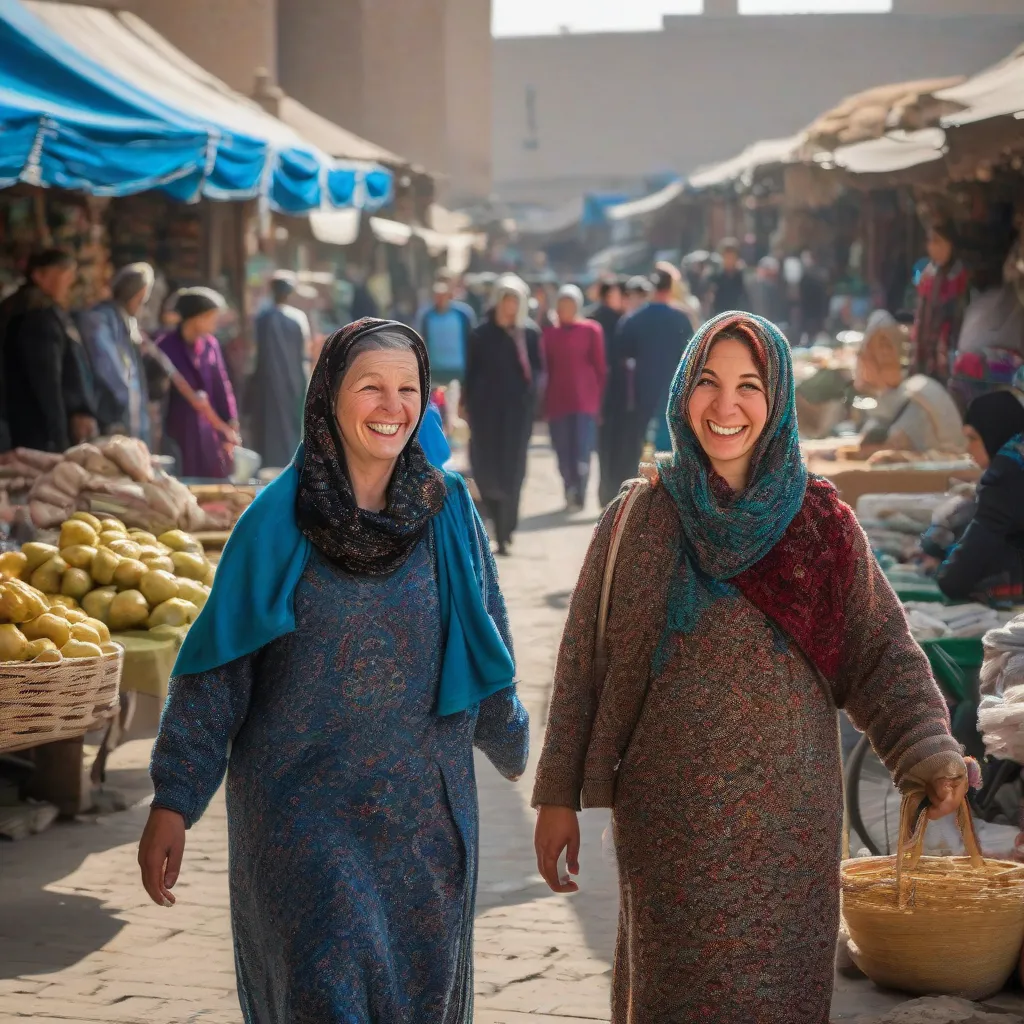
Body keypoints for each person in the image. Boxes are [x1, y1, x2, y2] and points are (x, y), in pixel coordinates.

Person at [532, 311, 970, 1023]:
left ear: (778, 402)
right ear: (681, 393)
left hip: (789, 834)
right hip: (669, 831)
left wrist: (928, 751)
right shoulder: (641, 516)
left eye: (749, 386)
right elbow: (583, 664)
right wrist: (558, 797)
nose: (726, 405)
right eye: (708, 382)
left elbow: (881, 651)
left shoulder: (821, 524)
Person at [138, 318, 529, 1023]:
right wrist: (174, 797)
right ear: (328, 396)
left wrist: (512, 741)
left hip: (423, 815)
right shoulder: (275, 520)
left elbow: (484, 631)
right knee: (326, 990)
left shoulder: (447, 509)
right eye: (370, 386)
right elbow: (215, 670)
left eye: (408, 388)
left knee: (419, 997)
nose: (392, 406)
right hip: (303, 815)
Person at [463, 275, 542, 556]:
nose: (510, 306)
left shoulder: (528, 334)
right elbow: (470, 374)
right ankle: (495, 522)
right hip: (486, 415)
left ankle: (506, 530)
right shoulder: (480, 333)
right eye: (506, 300)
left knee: (513, 470)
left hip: (517, 415)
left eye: (515, 301)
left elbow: (538, 371)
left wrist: (532, 399)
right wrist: (467, 406)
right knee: (486, 468)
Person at [933, 389, 1024, 606]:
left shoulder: (1005, 476)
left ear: (993, 430)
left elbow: (972, 554)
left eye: (973, 438)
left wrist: (945, 579)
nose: (968, 448)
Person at [607, 267, 694, 489]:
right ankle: (667, 487)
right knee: (669, 443)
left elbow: (621, 353)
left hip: (640, 391)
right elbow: (692, 357)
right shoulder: (681, 318)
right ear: (670, 287)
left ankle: (638, 490)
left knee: (640, 442)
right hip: (674, 390)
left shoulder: (633, 319)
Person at [5, 248, 98, 452]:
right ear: (39, 275)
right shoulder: (37, 316)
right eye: (64, 272)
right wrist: (58, 437)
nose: (71, 280)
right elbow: (47, 382)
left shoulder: (40, 311)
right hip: (37, 433)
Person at [158, 288, 240, 479]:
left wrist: (231, 421)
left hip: (209, 432)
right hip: (177, 432)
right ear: (196, 318)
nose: (215, 322)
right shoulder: (165, 347)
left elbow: (222, 385)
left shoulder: (210, 345)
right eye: (212, 316)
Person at [542, 285, 607, 511]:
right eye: (561, 305)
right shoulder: (549, 334)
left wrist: (599, 403)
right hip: (558, 401)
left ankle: (580, 491)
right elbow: (545, 369)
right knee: (562, 450)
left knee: (581, 449)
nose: (565, 310)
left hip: (585, 401)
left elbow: (600, 368)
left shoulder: (591, 330)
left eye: (569, 305)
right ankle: (568, 487)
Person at [79, 262, 157, 444]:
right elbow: (112, 373)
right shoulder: (100, 320)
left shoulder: (124, 322)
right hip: (109, 420)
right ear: (141, 294)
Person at [251, 272, 310, 470]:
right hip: (292, 379)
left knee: (270, 427)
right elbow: (304, 352)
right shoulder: (297, 317)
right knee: (290, 426)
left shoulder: (263, 317)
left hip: (268, 381)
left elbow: (256, 354)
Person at [912, 222, 969, 382]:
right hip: (927, 356)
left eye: (937, 241)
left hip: (952, 357)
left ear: (951, 244)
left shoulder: (962, 278)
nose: (931, 247)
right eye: (929, 241)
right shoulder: (928, 274)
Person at [417, 277, 476, 385]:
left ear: (450, 295)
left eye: (444, 294)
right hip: (435, 370)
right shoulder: (427, 316)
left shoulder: (463, 314)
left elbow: (472, 341)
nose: (440, 298)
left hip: (458, 369)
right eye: (438, 295)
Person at [706, 238, 750, 317]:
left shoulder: (743, 277)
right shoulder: (715, 277)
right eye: (727, 257)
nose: (729, 260)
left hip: (740, 317)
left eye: (732, 257)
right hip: (719, 317)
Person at [798, 249, 830, 344]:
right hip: (808, 308)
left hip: (817, 307)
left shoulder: (820, 273)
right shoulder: (805, 274)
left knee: (816, 330)